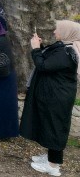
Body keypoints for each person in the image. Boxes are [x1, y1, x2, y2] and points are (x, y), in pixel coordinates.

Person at [21, 21, 80, 176]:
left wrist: (35, 49)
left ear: (67, 32)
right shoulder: (64, 47)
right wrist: (40, 48)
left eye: (58, 29)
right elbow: (48, 61)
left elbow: (44, 66)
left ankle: (53, 166)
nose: (54, 31)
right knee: (50, 124)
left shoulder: (67, 52)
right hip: (53, 94)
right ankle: (50, 158)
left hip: (58, 96)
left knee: (55, 127)